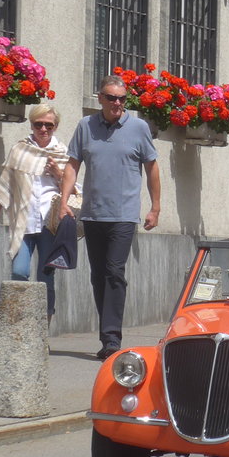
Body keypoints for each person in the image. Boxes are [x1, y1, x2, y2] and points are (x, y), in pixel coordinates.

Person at [59, 75, 160, 360]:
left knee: (115, 272)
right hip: (93, 215)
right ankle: (107, 338)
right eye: (111, 98)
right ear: (100, 98)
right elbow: (72, 164)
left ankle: (112, 339)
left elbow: (152, 168)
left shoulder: (139, 128)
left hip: (124, 216)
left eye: (122, 99)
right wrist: (63, 201)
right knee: (98, 276)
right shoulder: (85, 126)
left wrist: (155, 207)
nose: (117, 103)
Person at [0, 104, 71, 322]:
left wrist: (59, 174)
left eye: (48, 125)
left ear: (55, 126)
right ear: (31, 125)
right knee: (20, 272)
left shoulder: (62, 153)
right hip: (23, 222)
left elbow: (73, 191)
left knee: (45, 277)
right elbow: (3, 188)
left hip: (50, 224)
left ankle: (42, 331)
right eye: (38, 124)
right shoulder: (20, 150)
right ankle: (16, 326)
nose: (43, 129)